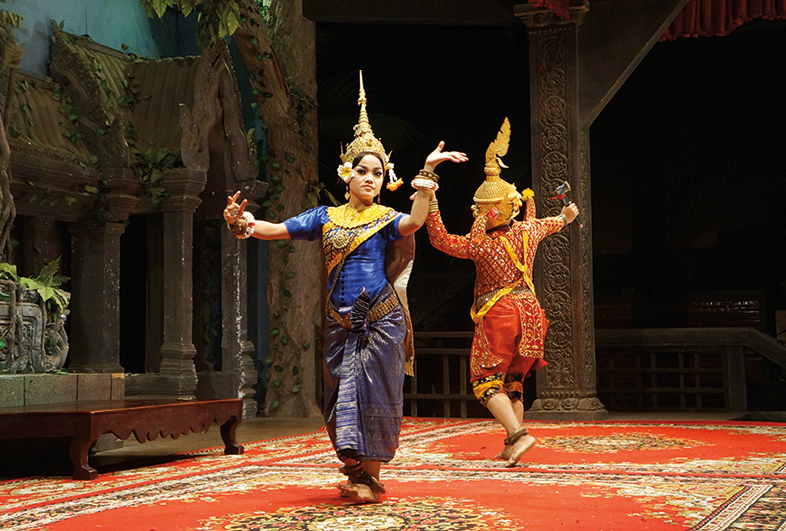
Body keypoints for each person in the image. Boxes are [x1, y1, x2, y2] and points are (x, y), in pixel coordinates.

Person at [224, 72, 467, 503]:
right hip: (339, 324)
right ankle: (357, 470)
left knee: (376, 394)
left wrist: (427, 175)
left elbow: (414, 222)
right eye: (362, 170)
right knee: (340, 399)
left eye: (377, 172)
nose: (370, 177)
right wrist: (243, 224)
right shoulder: (325, 217)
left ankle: (368, 480)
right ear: (346, 174)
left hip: (380, 320)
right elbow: (276, 228)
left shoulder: (386, 218)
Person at [425, 117, 578, 466]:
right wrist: (568, 215)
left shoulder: (481, 246)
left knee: (485, 382)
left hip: (501, 315)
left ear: (485, 212)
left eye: (478, 210)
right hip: (532, 314)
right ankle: (513, 447)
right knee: (514, 381)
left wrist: (432, 200)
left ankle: (518, 435)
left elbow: (440, 239)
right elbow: (558, 221)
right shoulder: (530, 230)